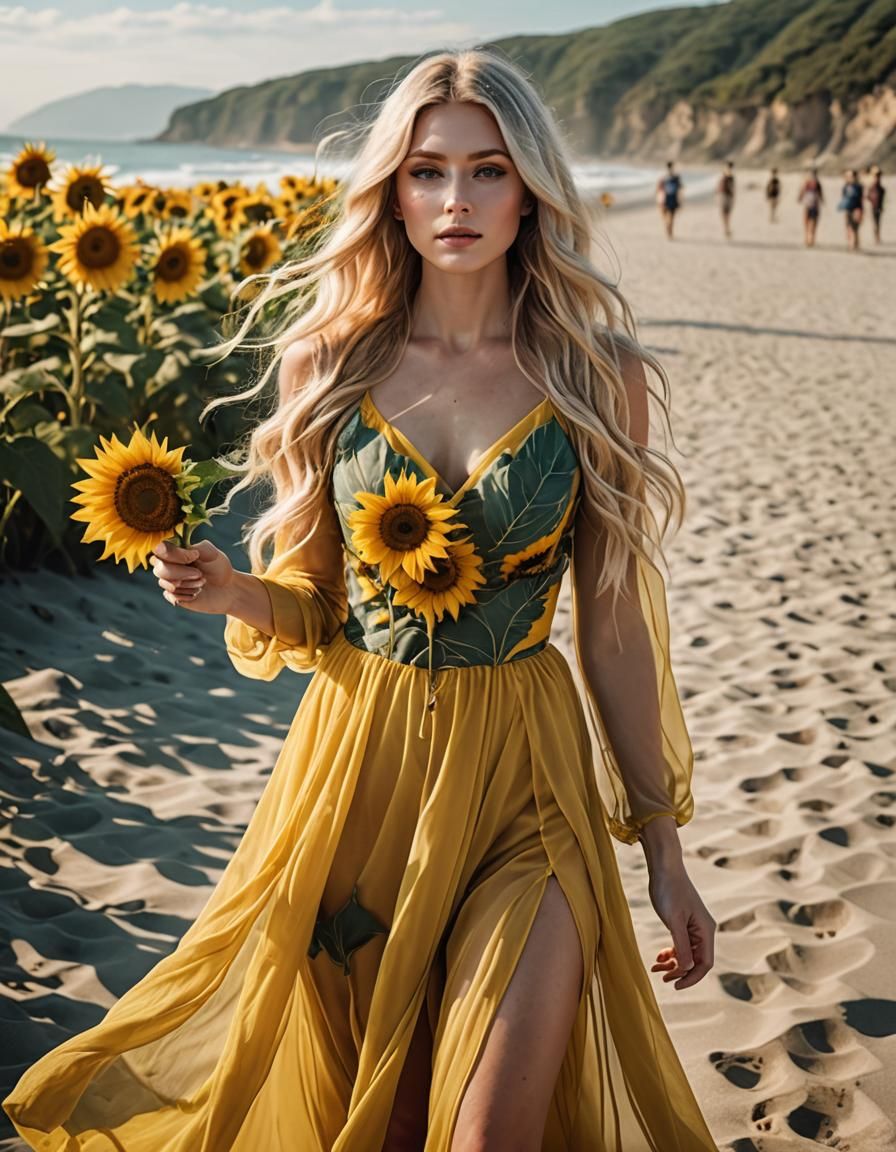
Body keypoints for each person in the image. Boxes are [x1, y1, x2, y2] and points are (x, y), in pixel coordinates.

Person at [3, 49, 719, 1152]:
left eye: (487, 171)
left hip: (528, 779)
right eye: (428, 171)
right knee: (377, 1118)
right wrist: (236, 591)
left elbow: (613, 623)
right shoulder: (327, 363)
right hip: (358, 778)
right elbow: (313, 606)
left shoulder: (592, 372)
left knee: (488, 1132)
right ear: (391, 186)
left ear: (528, 186)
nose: (455, 201)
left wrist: (663, 851)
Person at [798, 166, 824, 247]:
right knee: (808, 223)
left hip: (813, 206)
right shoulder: (808, 183)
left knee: (812, 224)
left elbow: (820, 194)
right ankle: (808, 239)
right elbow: (802, 192)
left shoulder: (816, 183)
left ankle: (810, 239)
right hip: (809, 205)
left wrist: (800, 197)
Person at [839, 168, 864, 251]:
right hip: (848, 209)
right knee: (848, 227)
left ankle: (854, 244)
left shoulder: (859, 187)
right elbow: (843, 199)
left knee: (855, 228)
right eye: (848, 176)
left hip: (856, 209)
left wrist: (861, 211)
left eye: (851, 176)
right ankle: (851, 244)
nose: (850, 178)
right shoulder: (845, 187)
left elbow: (861, 200)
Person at [657, 159, 683, 239]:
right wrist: (680, 200)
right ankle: (670, 232)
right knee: (671, 217)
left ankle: (668, 231)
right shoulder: (676, 177)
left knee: (665, 217)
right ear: (673, 167)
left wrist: (658, 200)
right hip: (673, 199)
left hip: (664, 199)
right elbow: (679, 189)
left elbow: (659, 189)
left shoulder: (663, 177)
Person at [866, 165, 886, 244]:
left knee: (878, 222)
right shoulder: (872, 187)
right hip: (874, 206)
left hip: (879, 207)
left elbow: (883, 198)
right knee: (875, 222)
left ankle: (877, 236)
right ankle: (876, 237)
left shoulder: (881, 188)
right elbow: (868, 197)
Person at [717, 160, 736, 238]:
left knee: (725, 213)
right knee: (725, 213)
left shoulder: (728, 176)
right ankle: (726, 228)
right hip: (725, 196)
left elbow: (731, 187)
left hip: (725, 196)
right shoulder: (726, 175)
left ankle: (726, 229)